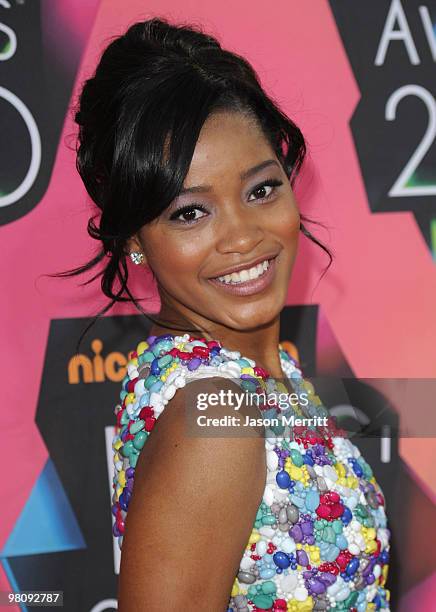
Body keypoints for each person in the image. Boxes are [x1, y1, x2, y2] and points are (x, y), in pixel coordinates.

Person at [64, 17, 391, 611]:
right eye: (190, 213)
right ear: (134, 237)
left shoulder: (254, 372)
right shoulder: (214, 414)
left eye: (261, 189)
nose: (242, 237)